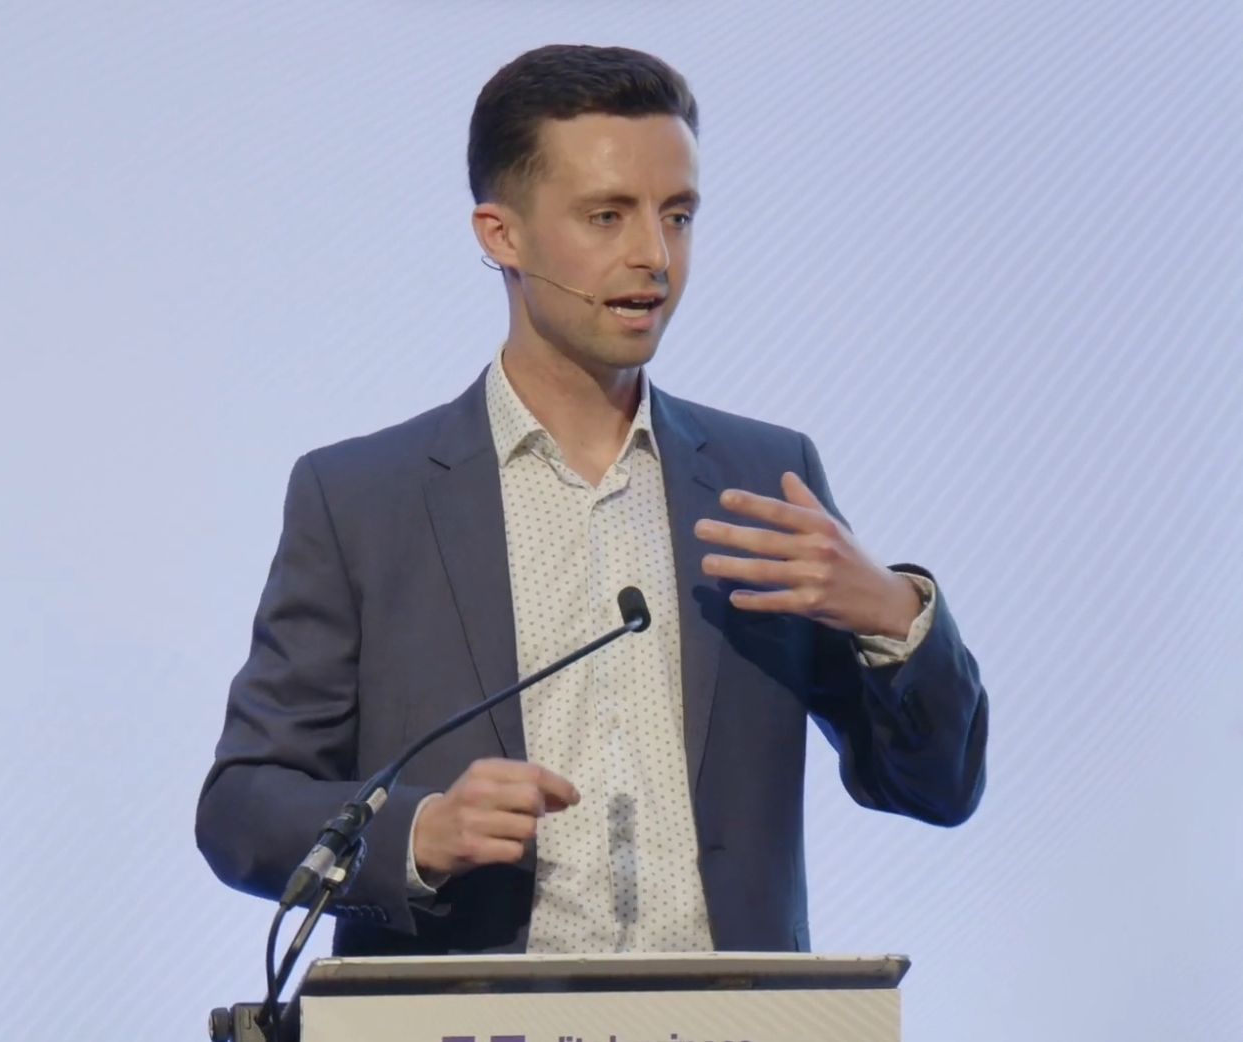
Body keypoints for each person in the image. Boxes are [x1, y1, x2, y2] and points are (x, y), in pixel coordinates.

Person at [196, 44, 988, 957]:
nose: (653, 256)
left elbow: (935, 787)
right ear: (502, 235)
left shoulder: (763, 479)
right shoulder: (361, 501)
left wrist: (892, 615)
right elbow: (242, 806)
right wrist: (418, 832)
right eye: (607, 216)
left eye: (678, 215)